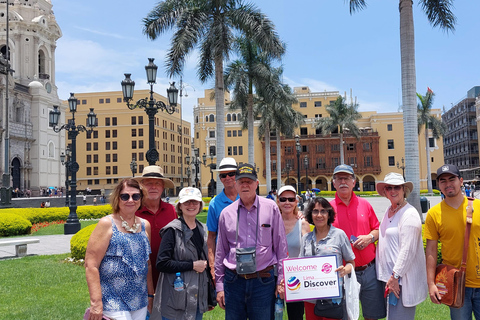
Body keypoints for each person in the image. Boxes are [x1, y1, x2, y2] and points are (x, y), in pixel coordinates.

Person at [215, 163, 288, 319]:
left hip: (263, 281)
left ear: (256, 184)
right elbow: (220, 252)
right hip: (233, 281)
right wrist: (220, 286)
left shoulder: (271, 208)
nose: (245, 185)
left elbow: (281, 248)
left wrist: (281, 280)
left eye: (249, 181)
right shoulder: (226, 214)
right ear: (236, 185)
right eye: (241, 182)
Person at [85, 178, 154, 320]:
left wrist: (150, 295)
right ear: (117, 198)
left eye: (135, 196)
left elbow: (147, 264)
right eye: (125, 196)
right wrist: (96, 303)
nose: (131, 200)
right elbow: (91, 265)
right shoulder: (107, 224)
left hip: (139, 299)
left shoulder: (144, 225)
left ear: (141, 199)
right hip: (112, 299)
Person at [330, 164, 386, 320]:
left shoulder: (365, 204)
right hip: (343, 273)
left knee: (372, 316)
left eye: (347, 178)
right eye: (339, 178)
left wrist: (369, 238)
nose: (343, 182)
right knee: (346, 316)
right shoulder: (327, 209)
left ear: (354, 182)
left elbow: (377, 229)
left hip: (369, 271)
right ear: (333, 183)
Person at [425, 164, 480, 319]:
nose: (448, 184)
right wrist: (431, 284)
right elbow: (431, 251)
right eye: (443, 181)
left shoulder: (478, 206)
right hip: (456, 283)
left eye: (452, 179)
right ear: (439, 186)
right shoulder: (434, 214)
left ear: (461, 181)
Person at [151, 187, 209, 320]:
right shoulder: (172, 230)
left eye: (195, 202)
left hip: (196, 295)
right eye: (187, 202)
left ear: (200, 205)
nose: (191, 205)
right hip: (176, 297)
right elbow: (162, 263)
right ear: (180, 206)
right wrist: (192, 265)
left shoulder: (202, 229)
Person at [375, 173, 427, 319]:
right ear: (385, 192)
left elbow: (408, 250)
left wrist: (395, 276)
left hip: (401, 281)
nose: (393, 191)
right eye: (389, 187)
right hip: (389, 279)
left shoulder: (409, 214)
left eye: (396, 187)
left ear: (404, 189)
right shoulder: (389, 211)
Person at [300, 197, 355, 319]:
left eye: (323, 211)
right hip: (311, 297)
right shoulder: (306, 239)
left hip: (333, 297)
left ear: (329, 214)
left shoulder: (339, 235)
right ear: (310, 214)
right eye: (315, 211)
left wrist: (345, 270)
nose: (319, 215)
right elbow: (300, 267)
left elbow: (351, 263)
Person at [135, 165, 177, 289]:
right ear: (141, 186)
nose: (153, 187)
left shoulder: (171, 210)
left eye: (157, 183)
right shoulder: (134, 211)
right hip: (140, 275)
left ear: (163, 187)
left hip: (167, 273)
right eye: (149, 183)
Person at [277, 185, 310, 320]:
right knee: (273, 315)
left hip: (296, 278)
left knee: (295, 316)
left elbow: (307, 251)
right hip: (274, 277)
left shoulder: (302, 223)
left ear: (297, 201)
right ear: (278, 201)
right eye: (283, 199)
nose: (287, 203)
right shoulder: (271, 221)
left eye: (291, 199)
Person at [206, 157, 238, 278]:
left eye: (231, 174)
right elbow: (211, 237)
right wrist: (213, 266)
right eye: (224, 175)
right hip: (225, 263)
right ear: (220, 178)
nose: (228, 178)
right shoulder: (214, 203)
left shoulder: (247, 198)